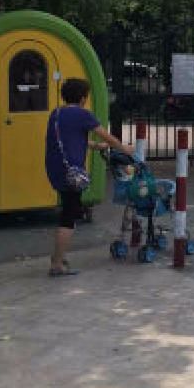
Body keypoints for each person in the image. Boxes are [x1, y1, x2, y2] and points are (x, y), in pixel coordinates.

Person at [45, 77, 133, 278]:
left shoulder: (56, 114)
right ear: (83, 98)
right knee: (69, 216)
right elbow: (107, 136)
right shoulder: (83, 114)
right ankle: (57, 264)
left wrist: (94, 146)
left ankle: (58, 257)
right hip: (72, 174)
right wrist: (124, 148)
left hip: (56, 169)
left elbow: (65, 140)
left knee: (67, 209)